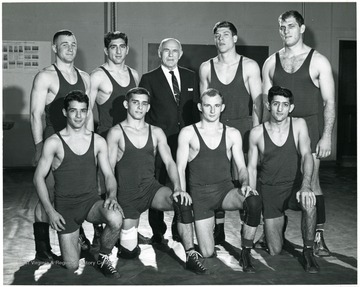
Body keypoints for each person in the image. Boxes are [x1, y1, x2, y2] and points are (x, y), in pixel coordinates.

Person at [107, 87, 208, 275]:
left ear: (148, 107)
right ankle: (128, 242)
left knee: (181, 201)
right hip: (127, 196)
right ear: (126, 104)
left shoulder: (156, 132)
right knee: (128, 253)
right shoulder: (116, 133)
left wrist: (178, 187)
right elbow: (108, 170)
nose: (139, 107)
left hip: (151, 190)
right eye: (135, 102)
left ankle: (191, 255)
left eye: (144, 103)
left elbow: (170, 162)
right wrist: (112, 196)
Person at [262, 10, 335, 256]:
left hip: (310, 129)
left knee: (311, 182)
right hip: (279, 131)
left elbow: (329, 102)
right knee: (273, 180)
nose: (286, 31)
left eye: (291, 26)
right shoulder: (271, 62)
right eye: (282, 27)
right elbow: (264, 104)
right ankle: (272, 229)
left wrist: (326, 136)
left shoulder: (318, 61)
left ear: (302, 29)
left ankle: (318, 237)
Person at [33, 91, 123, 278]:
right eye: (73, 111)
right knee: (72, 266)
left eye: (83, 111)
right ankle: (78, 238)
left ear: (88, 112)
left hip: (91, 203)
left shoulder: (97, 141)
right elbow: (38, 178)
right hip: (66, 208)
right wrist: (50, 211)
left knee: (116, 218)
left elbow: (108, 174)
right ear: (65, 112)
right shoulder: (54, 142)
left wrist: (112, 195)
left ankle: (104, 257)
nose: (79, 116)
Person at [176, 88, 262, 273]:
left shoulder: (232, 133)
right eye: (208, 105)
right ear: (200, 107)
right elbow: (180, 168)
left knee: (253, 200)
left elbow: (241, 167)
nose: (212, 110)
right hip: (200, 196)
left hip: (225, 192)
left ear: (222, 107)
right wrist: (182, 191)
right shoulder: (188, 133)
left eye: (216, 106)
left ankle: (246, 252)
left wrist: (246, 184)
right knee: (207, 253)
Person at [199, 21, 263, 245]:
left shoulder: (250, 66)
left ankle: (248, 233)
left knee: (244, 182)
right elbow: (204, 105)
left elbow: (258, 104)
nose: (221, 39)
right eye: (217, 35)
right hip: (215, 132)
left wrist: (255, 136)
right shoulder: (206, 67)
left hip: (243, 131)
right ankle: (219, 230)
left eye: (226, 34)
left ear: (235, 38)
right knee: (217, 180)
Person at [30, 29, 91, 262]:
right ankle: (42, 248)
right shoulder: (45, 76)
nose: (69, 48)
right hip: (52, 144)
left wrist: (91, 145)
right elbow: (36, 114)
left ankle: (79, 237)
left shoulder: (85, 77)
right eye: (64, 44)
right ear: (54, 48)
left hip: (77, 146)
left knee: (76, 192)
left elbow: (87, 115)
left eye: (73, 44)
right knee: (50, 193)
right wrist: (38, 147)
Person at [247, 86, 319, 273]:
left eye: (285, 105)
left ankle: (309, 252)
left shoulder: (299, 125)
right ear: (268, 105)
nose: (280, 109)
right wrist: (252, 193)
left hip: (294, 188)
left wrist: (306, 186)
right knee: (274, 251)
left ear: (291, 107)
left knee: (310, 202)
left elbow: (307, 155)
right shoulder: (256, 133)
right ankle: (276, 227)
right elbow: (252, 168)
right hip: (270, 191)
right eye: (276, 104)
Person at [139, 38, 199, 243]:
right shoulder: (149, 79)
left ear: (180, 54)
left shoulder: (192, 77)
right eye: (166, 51)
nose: (171, 55)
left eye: (175, 51)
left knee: (183, 183)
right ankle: (157, 230)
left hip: (186, 143)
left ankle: (178, 226)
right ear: (159, 53)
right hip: (160, 143)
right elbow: (144, 114)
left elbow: (196, 112)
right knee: (156, 183)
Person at [89, 31, 140, 246]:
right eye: (113, 47)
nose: (118, 51)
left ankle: (127, 227)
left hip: (128, 140)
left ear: (127, 49)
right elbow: (88, 109)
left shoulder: (134, 75)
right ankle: (99, 230)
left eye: (121, 46)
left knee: (127, 185)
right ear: (106, 50)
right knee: (104, 185)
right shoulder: (97, 75)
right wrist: (90, 140)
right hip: (105, 137)